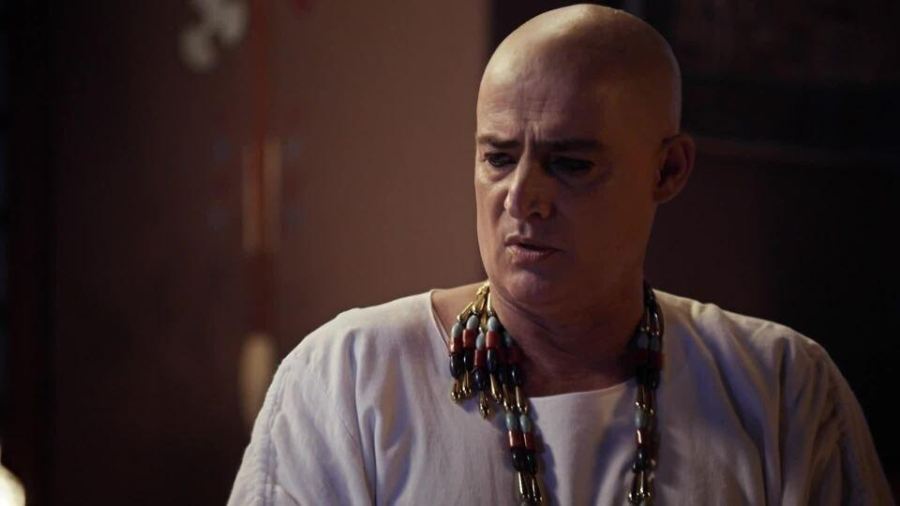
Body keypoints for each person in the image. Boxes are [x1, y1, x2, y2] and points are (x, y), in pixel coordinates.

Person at [227, 4, 893, 505]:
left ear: (668, 170)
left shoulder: (781, 387)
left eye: (571, 164)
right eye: (498, 157)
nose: (522, 198)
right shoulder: (349, 377)